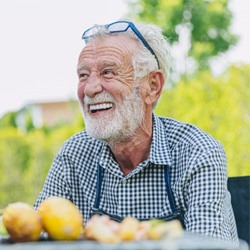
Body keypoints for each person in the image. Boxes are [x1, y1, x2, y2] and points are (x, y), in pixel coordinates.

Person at [34, 19, 238, 243]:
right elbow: (35, 236)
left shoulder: (198, 153)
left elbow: (206, 249)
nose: (90, 89)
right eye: (83, 75)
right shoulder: (74, 154)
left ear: (152, 86)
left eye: (108, 72)